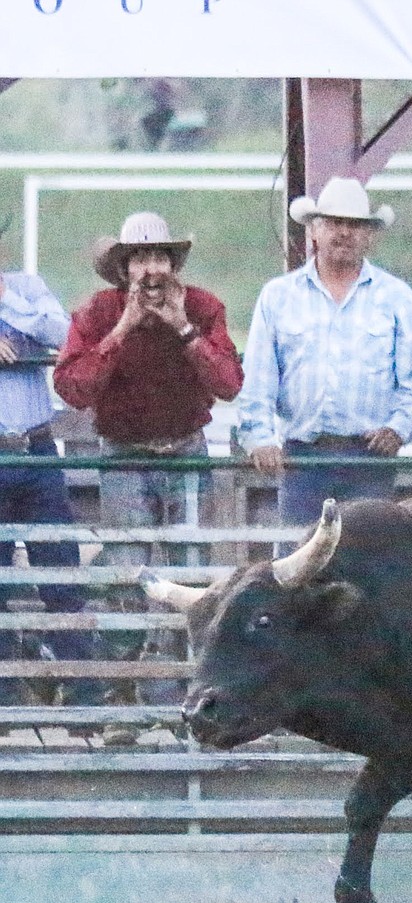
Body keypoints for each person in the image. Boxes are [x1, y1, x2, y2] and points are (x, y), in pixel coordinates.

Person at [54, 210, 243, 718]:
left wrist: (183, 328)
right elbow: (73, 388)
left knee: (189, 571)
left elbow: (228, 382)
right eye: (140, 259)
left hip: (185, 449)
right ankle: (125, 702)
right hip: (123, 454)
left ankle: (189, 698)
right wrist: (122, 330)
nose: (151, 270)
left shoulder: (202, 308)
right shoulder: (97, 313)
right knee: (127, 575)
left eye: (159, 257)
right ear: (124, 268)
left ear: (173, 265)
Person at [236, 177, 412, 529]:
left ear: (369, 236)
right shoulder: (278, 297)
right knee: (298, 563)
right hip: (302, 458)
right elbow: (258, 380)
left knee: (370, 561)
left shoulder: (397, 298)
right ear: (314, 230)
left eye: (355, 225)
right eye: (334, 223)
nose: (344, 232)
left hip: (371, 457)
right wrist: (261, 439)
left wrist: (398, 428)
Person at [0, 213, 102, 718]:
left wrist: (6, 304)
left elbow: (66, 334)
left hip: (36, 448)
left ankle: (84, 688)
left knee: (60, 569)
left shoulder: (27, 288)